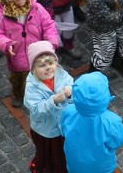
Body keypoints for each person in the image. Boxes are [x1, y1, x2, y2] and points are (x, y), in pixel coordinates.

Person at [0, 0, 59, 108]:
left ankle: (41, 93)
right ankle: (19, 95)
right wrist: (6, 44)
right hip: (18, 61)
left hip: (39, 56)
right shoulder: (1, 17)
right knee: (19, 81)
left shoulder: (36, 8)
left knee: (42, 76)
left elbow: (49, 25)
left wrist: (51, 43)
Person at [61, 72, 123, 173]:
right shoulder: (111, 121)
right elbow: (121, 138)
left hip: (75, 166)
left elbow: (63, 130)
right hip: (101, 167)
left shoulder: (68, 111)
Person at [24, 41, 73, 173]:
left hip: (64, 125)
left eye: (50, 63)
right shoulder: (31, 86)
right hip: (46, 131)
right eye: (42, 65)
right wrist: (52, 102)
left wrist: (70, 91)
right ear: (33, 69)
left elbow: (72, 85)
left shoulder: (61, 73)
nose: (48, 68)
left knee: (63, 152)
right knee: (50, 154)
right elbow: (35, 110)